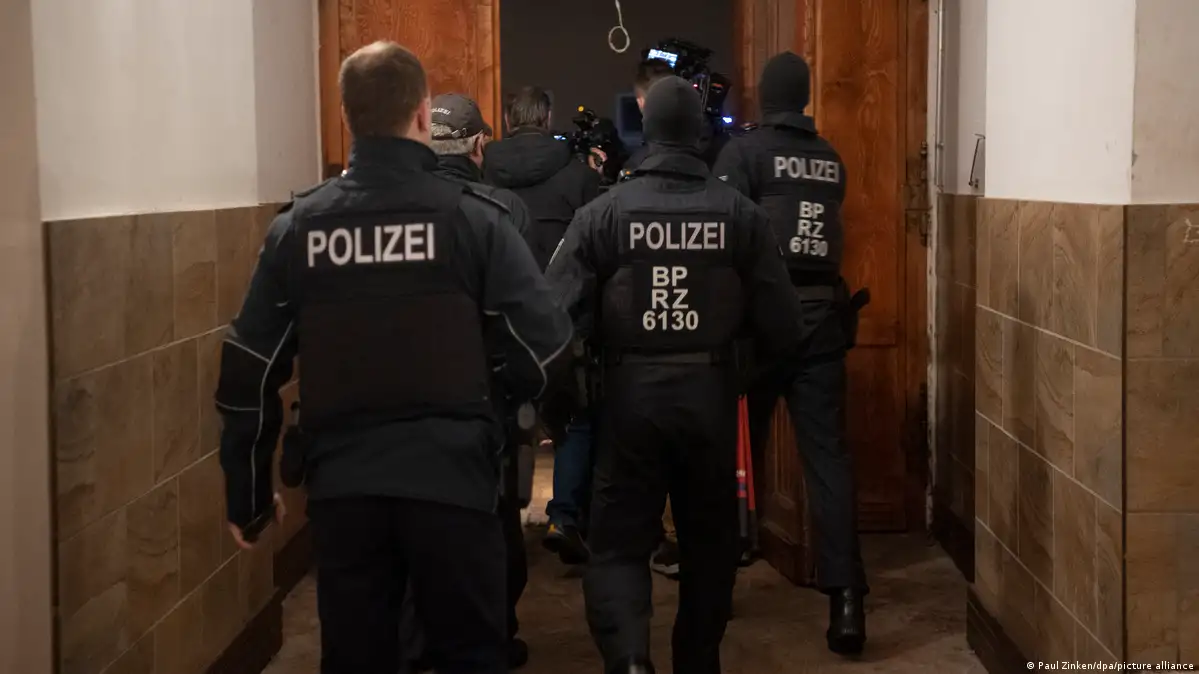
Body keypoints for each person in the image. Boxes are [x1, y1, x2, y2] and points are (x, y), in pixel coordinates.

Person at [215, 41, 573, 674]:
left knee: (357, 658)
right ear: (422, 113)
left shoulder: (300, 227)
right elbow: (547, 346)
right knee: (471, 654)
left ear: (345, 117)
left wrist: (247, 493)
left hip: (345, 490)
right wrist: (498, 412)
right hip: (454, 483)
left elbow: (249, 367)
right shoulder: (475, 220)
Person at [545, 75, 808, 674]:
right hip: (709, 401)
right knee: (710, 546)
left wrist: (569, 401)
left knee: (618, 545)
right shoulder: (739, 215)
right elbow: (785, 325)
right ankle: (697, 660)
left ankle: (630, 660)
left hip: (628, 403)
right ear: (699, 132)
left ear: (647, 130)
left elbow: (552, 316)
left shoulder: (603, 213)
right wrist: (740, 374)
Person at [711, 50, 868, 656]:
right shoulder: (829, 158)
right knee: (828, 463)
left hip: (759, 326)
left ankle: (719, 588)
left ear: (764, 95)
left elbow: (725, 239)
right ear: (803, 98)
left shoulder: (744, 153)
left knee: (732, 459)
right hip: (822, 322)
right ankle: (848, 602)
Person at [482, 85, 602, 270]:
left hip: (502, 283)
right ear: (548, 118)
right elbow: (596, 248)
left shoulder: (482, 173)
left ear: (507, 120)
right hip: (562, 283)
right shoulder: (582, 176)